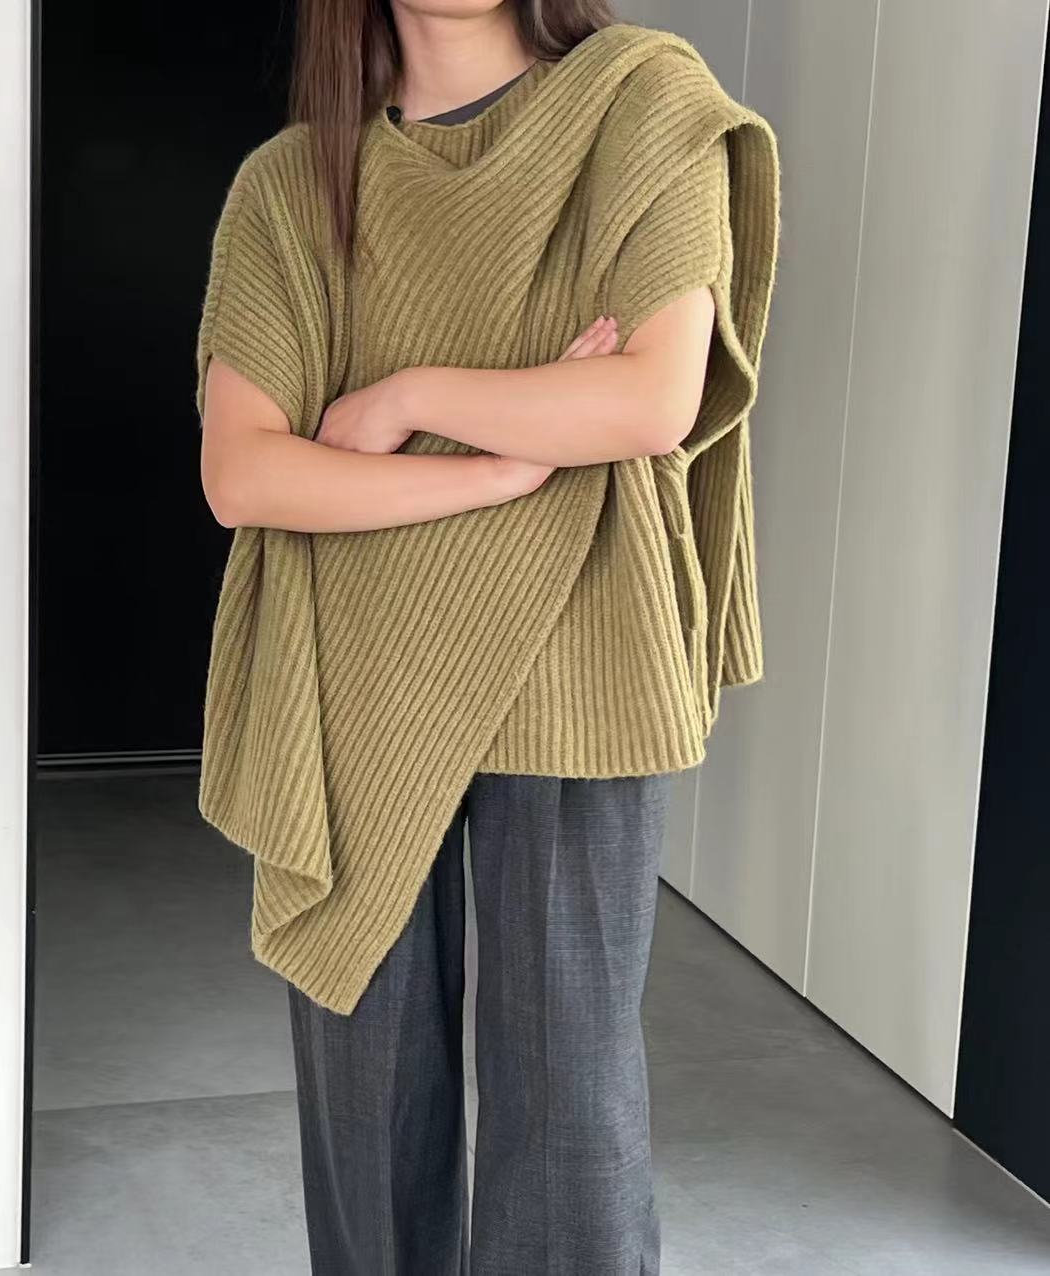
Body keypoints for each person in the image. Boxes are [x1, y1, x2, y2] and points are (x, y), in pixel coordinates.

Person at [194, 2, 779, 1272]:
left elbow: (648, 398)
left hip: (578, 656)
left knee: (569, 1106)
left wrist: (404, 399)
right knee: (366, 1103)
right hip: (354, 678)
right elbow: (243, 472)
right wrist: (499, 465)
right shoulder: (292, 185)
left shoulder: (639, 104)